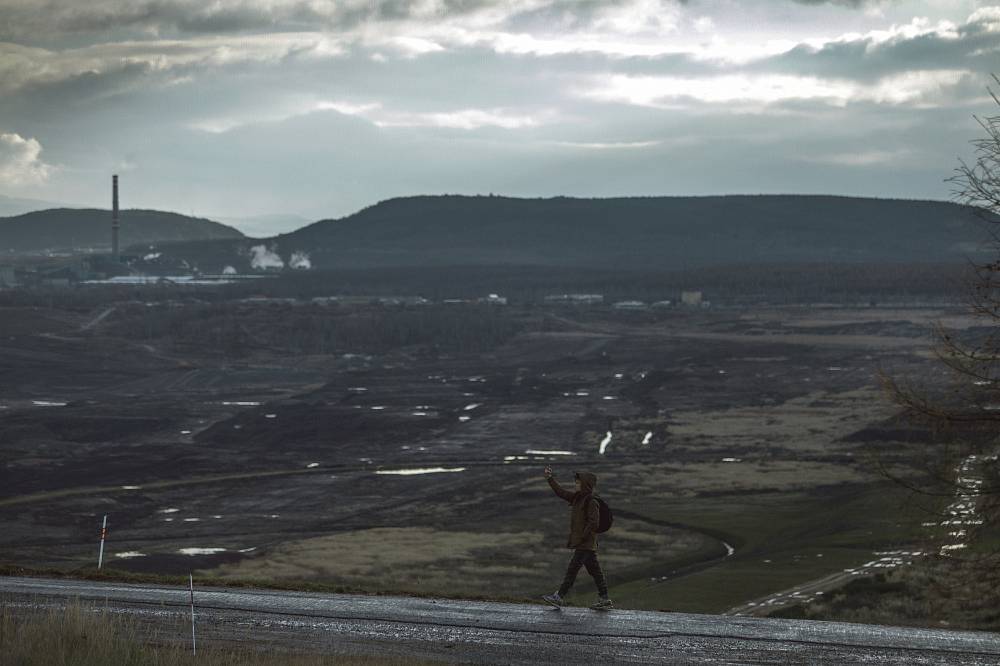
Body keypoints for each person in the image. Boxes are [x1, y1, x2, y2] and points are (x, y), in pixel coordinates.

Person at [541, 465, 613, 610]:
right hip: (586, 544)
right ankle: (604, 598)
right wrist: (550, 478)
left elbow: (594, 522)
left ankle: (559, 597)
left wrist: (582, 537)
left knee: (572, 570)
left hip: (585, 544)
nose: (576, 484)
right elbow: (560, 492)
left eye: (578, 483)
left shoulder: (591, 501)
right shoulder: (577, 498)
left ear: (585, 484)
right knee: (595, 571)